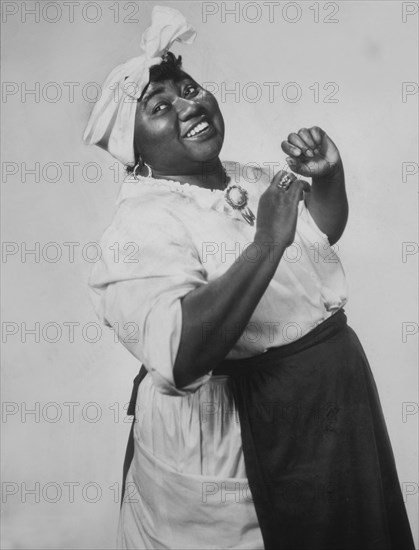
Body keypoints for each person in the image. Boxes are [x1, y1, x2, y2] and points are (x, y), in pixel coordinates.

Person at [84, 6, 416, 550]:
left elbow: (315, 244)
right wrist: (265, 243)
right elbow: (179, 356)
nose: (187, 104)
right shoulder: (140, 225)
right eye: (159, 107)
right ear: (133, 150)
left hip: (327, 412)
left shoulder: (247, 175)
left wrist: (328, 179)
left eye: (188, 88)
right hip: (248, 434)